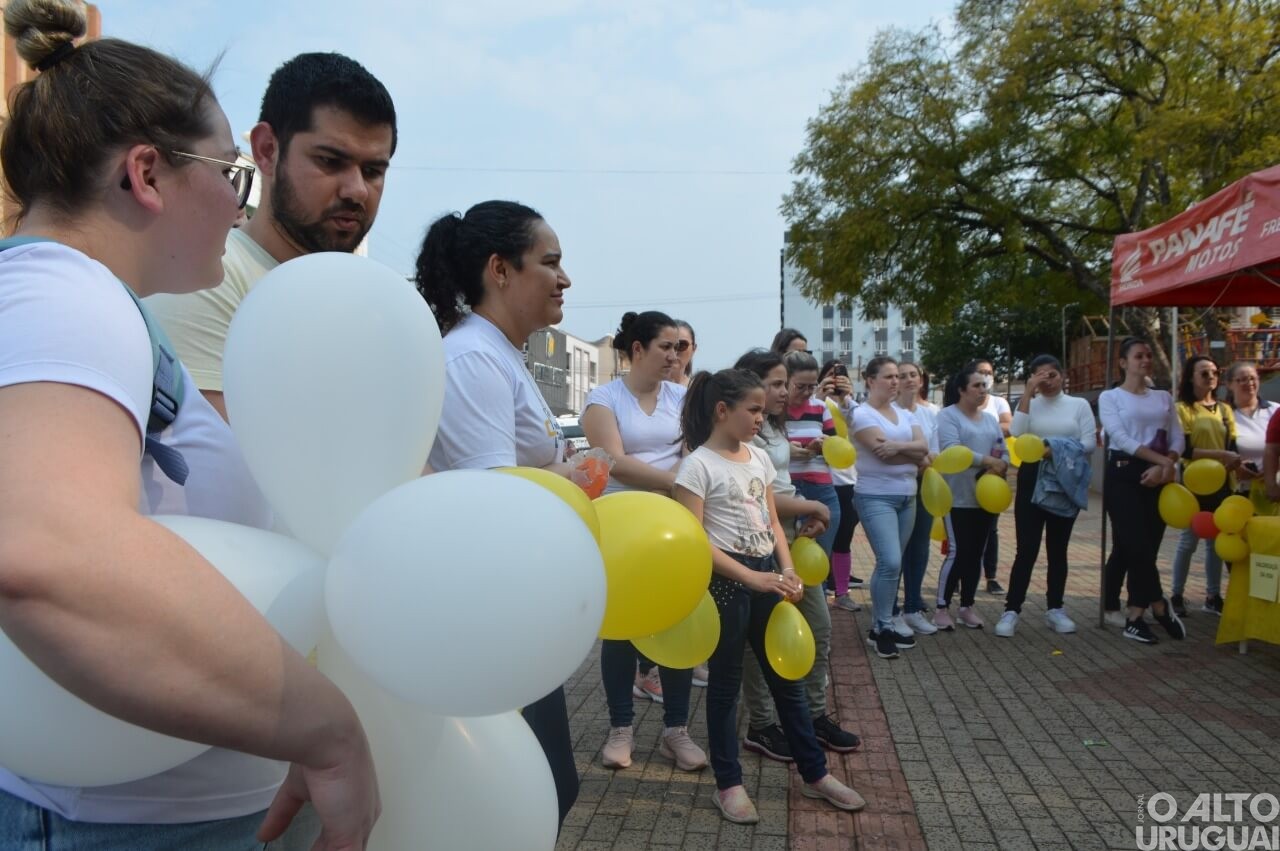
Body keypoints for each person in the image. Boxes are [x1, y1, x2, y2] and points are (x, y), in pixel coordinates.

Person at [0, 3, 377, 847]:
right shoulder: (65, 294)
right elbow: (44, 556)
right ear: (146, 175)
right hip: (103, 824)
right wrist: (326, 728)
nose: (240, 205)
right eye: (232, 175)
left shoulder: (81, 300)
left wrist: (267, 707)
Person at [414, 200, 579, 824]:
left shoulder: (505, 354)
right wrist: (567, 477)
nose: (564, 279)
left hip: (515, 609)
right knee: (527, 793)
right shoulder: (475, 358)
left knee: (548, 788)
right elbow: (493, 500)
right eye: (551, 262)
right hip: (485, 615)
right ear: (500, 270)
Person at [148, 52, 397, 420]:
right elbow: (218, 466)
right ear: (267, 150)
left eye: (374, 170)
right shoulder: (205, 280)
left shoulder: (373, 310)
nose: (356, 190)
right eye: (330, 161)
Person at [673, 369, 865, 824]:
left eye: (763, 409)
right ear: (723, 410)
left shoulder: (758, 457)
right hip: (724, 584)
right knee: (725, 687)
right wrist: (751, 579)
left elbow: (772, 520)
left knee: (787, 680)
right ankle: (729, 784)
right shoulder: (696, 466)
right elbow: (696, 541)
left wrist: (787, 569)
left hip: (767, 576)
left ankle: (815, 774)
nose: (762, 418)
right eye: (754, 410)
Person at [581, 311, 706, 774]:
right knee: (622, 629)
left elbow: (698, 450)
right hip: (622, 524)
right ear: (637, 350)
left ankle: (677, 730)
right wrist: (673, 480)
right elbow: (611, 460)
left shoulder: (683, 396)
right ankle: (620, 729)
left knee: (675, 619)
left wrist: (679, 485)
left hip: (673, 522)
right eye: (666, 347)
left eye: (680, 347)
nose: (676, 355)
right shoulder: (604, 398)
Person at [734, 351, 860, 764]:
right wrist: (811, 507)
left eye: (785, 383)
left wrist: (808, 510)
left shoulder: (773, 424)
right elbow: (758, 498)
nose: (785, 391)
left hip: (791, 535)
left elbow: (782, 484)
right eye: (776, 383)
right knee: (761, 639)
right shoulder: (744, 431)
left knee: (819, 626)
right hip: (759, 539)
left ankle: (812, 714)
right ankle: (762, 725)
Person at [997, 355, 1096, 637]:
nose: (1048, 380)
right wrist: (1028, 392)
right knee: (1026, 549)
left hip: (1065, 478)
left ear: (1063, 375)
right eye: (1040, 376)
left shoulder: (1078, 405)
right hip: (1032, 478)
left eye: (1052, 374)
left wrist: (1053, 447)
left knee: (1058, 548)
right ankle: (1011, 609)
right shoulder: (1029, 404)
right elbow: (1016, 432)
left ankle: (1055, 608)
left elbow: (1089, 442)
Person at [1098, 337, 1187, 643]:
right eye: (1139, 356)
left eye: (1149, 355)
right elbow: (1120, 437)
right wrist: (1162, 461)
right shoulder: (1111, 398)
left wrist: (1167, 464)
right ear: (1123, 362)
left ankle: (1136, 615)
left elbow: (1178, 437)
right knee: (1135, 545)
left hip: (1159, 473)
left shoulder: (1163, 397)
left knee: (1148, 546)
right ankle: (1160, 605)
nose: (1145, 360)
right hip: (1124, 473)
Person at [850, 356, 929, 658]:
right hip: (875, 496)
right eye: (889, 377)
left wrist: (898, 447)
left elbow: (924, 451)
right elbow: (883, 455)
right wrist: (908, 453)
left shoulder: (905, 413)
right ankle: (882, 626)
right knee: (891, 561)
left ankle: (883, 624)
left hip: (907, 496)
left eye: (898, 376)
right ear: (870, 380)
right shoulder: (862, 414)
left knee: (890, 566)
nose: (896, 382)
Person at [932, 363, 1010, 631]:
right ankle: (942, 607)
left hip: (987, 498)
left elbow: (1002, 449)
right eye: (976, 385)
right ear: (961, 389)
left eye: (984, 385)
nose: (982, 389)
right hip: (958, 497)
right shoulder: (948, 416)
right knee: (957, 552)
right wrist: (986, 460)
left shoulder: (989, 419)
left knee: (977, 553)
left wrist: (1000, 463)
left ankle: (967, 606)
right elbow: (954, 450)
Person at [1168, 356, 1239, 617]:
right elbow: (1185, 448)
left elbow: (1232, 447)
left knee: (1216, 542)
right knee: (1189, 541)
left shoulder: (1224, 409)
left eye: (1214, 372)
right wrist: (1221, 456)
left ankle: (1213, 595)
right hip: (1194, 483)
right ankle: (1176, 594)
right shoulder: (1183, 409)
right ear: (1190, 377)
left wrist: (1232, 462)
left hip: (1222, 484)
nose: (1211, 376)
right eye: (1204, 372)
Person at [781, 352, 844, 604]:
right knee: (787, 565)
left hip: (822, 491)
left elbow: (839, 452)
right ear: (785, 381)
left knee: (817, 564)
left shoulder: (821, 409)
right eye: (800, 386)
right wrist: (788, 449)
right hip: (787, 493)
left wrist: (826, 445)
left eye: (812, 386)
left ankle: (815, 619)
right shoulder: (773, 411)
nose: (808, 392)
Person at [894, 361, 940, 636]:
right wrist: (916, 455)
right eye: (901, 376)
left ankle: (913, 607)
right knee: (895, 551)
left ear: (921, 380)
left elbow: (934, 452)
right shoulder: (890, 413)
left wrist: (916, 456)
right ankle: (892, 609)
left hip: (924, 484)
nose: (909, 380)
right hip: (897, 485)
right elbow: (890, 451)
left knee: (919, 547)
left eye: (913, 375)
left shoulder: (931, 413)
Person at [818, 359, 866, 606]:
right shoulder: (817, 403)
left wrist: (847, 398)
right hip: (823, 480)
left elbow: (861, 426)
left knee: (844, 537)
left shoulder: (852, 406)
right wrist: (818, 396)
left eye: (840, 377)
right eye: (829, 376)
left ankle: (842, 592)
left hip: (850, 481)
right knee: (822, 537)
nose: (834, 381)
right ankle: (822, 587)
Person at [974, 358, 1011, 593]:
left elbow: (1008, 426)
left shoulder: (998, 402)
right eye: (980, 373)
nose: (985, 377)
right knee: (963, 527)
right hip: (967, 470)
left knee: (991, 528)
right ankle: (961, 575)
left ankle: (991, 576)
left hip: (994, 470)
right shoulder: (962, 403)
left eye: (988, 372)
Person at [673, 319, 697, 387]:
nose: (674, 351)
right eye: (667, 346)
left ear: (693, 349)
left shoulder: (699, 391)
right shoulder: (644, 388)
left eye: (682, 345)